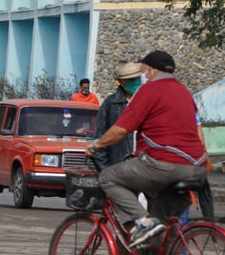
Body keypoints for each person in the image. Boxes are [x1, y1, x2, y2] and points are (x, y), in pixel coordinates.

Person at [86, 50, 209, 249]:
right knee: (162, 237)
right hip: (197, 167)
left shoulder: (149, 91)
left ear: (150, 71)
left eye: (142, 72)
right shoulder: (184, 92)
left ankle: (144, 223)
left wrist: (96, 145)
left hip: (159, 166)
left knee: (108, 177)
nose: (140, 77)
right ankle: (153, 232)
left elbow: (120, 130)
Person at [92, 62, 142, 170]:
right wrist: (106, 171)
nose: (136, 82)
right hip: (119, 168)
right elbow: (101, 138)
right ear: (121, 82)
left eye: (137, 78)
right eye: (131, 79)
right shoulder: (111, 104)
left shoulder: (149, 102)